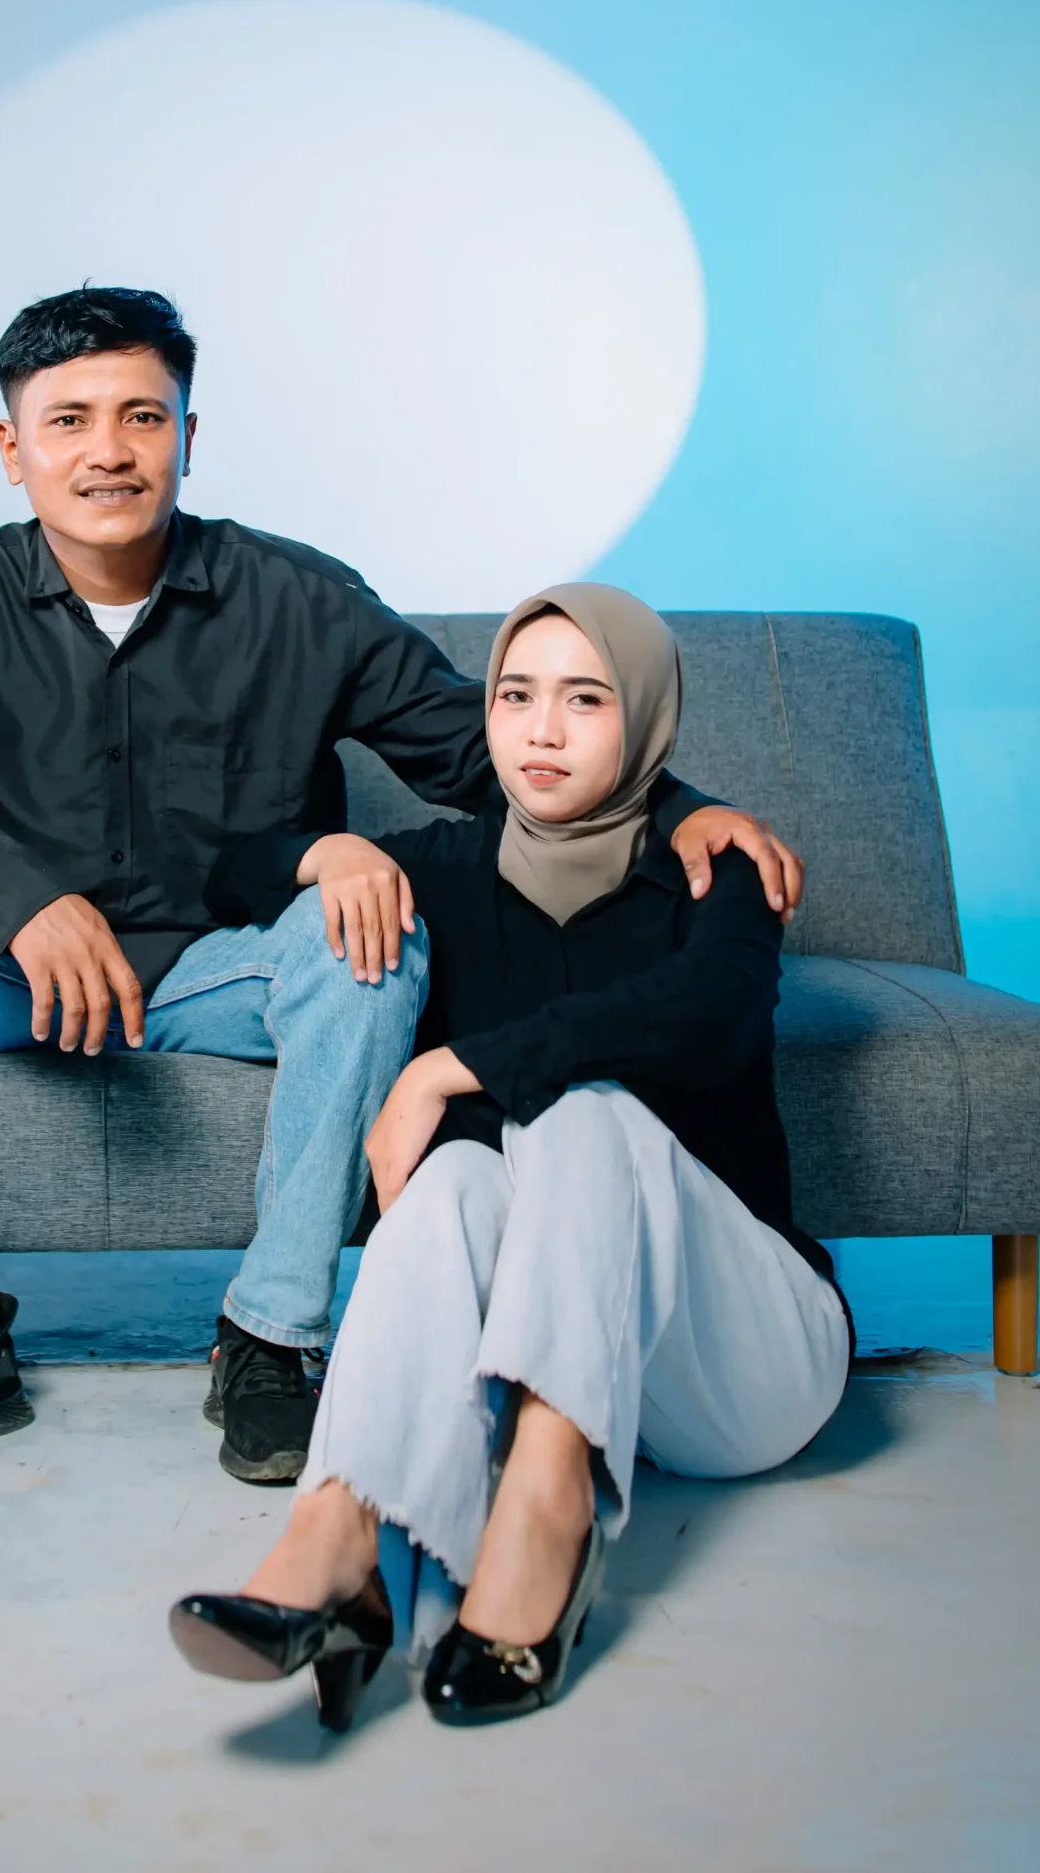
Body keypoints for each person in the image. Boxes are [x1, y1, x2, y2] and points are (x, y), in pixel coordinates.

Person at [0, 295, 802, 1495]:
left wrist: (678, 808)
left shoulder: (297, 596)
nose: (107, 450)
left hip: (221, 972)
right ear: (14, 449)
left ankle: (271, 1339)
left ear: (186, 436)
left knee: (368, 930)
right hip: (16, 976)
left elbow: (477, 752)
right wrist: (16, 901)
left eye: (140, 416)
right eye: (68, 420)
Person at [171, 584, 850, 1730]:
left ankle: (545, 1513)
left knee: (585, 1113)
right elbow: (226, 872)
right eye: (514, 696)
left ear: (645, 720)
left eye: (584, 700)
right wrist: (335, 852)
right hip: (583, 1355)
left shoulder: (712, 867)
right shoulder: (444, 867)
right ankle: (335, 1538)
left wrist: (444, 1069)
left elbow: (707, 1019)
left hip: (741, 1365)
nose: (539, 731)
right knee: (449, 1178)